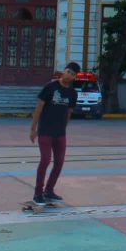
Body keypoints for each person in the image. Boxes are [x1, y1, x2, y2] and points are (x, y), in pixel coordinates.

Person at [29, 62, 79, 206]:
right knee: (45, 160)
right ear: (64, 71)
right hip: (45, 131)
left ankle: (49, 190)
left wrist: (64, 127)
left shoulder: (72, 93)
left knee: (59, 162)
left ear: (74, 77)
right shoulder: (50, 87)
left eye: (72, 74)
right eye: (68, 71)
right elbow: (39, 107)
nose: (69, 75)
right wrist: (33, 129)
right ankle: (38, 193)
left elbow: (69, 112)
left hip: (60, 133)